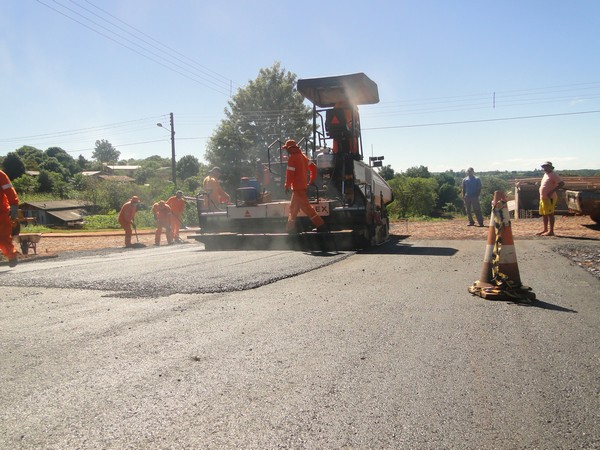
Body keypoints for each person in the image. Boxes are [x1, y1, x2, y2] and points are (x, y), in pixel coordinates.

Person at [282, 139, 326, 233]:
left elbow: (290, 174)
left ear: (290, 149)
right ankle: (290, 229)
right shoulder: (303, 157)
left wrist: (287, 185)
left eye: (286, 149)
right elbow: (313, 168)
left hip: (298, 188)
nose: (286, 151)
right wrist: (311, 180)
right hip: (302, 187)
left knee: (306, 208)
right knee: (293, 208)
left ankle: (320, 225)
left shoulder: (292, 158)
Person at [537, 161, 564, 236]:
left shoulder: (554, 174)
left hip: (550, 198)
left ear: (550, 167)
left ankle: (551, 231)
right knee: (544, 214)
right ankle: (545, 229)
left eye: (546, 166)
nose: (545, 168)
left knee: (550, 214)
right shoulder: (546, 174)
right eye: (544, 167)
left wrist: (551, 192)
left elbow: (561, 184)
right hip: (543, 198)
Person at [1, 169, 19, 267]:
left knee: (3, 238)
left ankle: (12, 257)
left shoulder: (0, 175)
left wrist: (14, 206)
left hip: (1, 213)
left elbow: (9, 191)